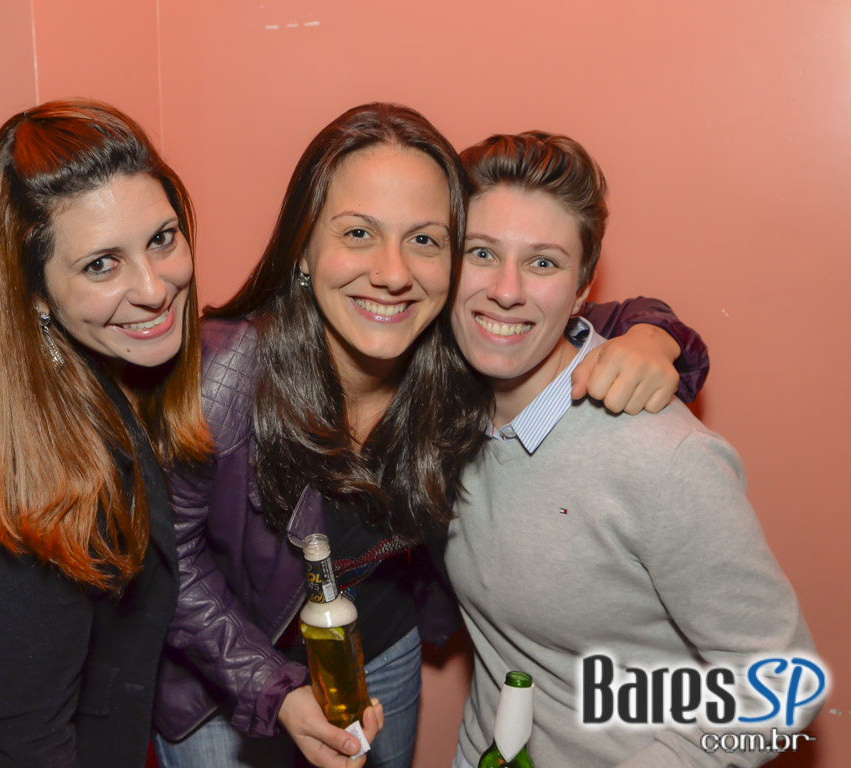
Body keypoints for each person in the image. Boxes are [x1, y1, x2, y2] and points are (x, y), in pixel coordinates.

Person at [153, 103, 710, 768]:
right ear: (303, 246)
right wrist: (273, 689)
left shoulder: (459, 351)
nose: (393, 274)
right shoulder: (224, 371)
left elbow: (565, 311)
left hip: (381, 650)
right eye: (358, 233)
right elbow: (172, 561)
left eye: (423, 240)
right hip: (227, 676)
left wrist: (655, 335)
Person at [444, 131, 820, 767]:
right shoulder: (441, 409)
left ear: (582, 287)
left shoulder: (661, 458)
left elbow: (782, 687)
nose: (506, 289)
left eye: (543, 263)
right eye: (481, 252)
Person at [0, 99, 210, 767]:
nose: (155, 289)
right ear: (32, 291)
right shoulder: (34, 476)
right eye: (101, 265)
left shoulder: (13, 337)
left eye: (161, 238)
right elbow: (27, 742)